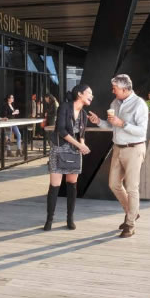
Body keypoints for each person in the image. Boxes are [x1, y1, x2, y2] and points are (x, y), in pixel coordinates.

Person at [88, 74, 148, 238]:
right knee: (113, 184)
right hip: (118, 148)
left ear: (124, 89)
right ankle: (132, 212)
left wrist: (122, 123)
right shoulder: (115, 103)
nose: (112, 91)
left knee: (132, 187)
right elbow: (111, 125)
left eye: (114, 88)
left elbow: (142, 131)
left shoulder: (139, 104)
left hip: (134, 149)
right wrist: (99, 122)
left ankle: (130, 223)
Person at [45, 84, 93, 231]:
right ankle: (49, 220)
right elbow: (60, 130)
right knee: (55, 186)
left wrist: (82, 146)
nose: (92, 96)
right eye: (89, 93)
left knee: (72, 185)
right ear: (80, 94)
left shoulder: (84, 114)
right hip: (59, 148)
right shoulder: (65, 107)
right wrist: (80, 145)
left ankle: (70, 219)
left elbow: (82, 135)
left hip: (74, 150)